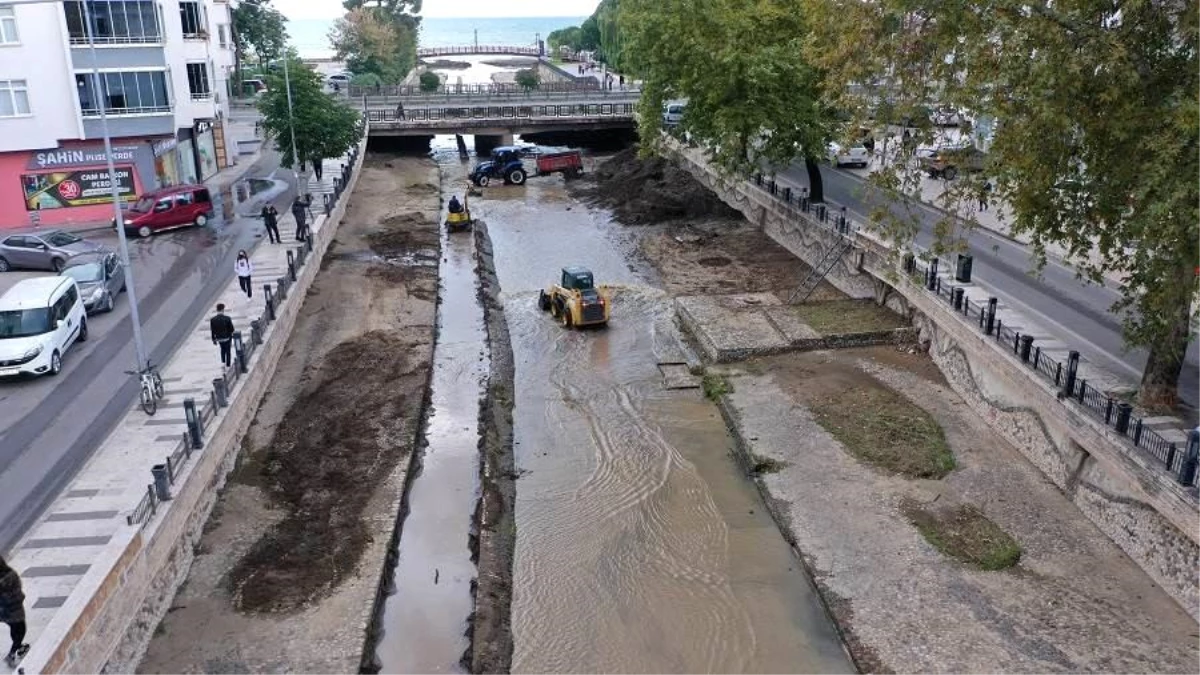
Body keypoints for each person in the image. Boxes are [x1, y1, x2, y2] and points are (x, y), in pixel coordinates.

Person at [1, 557, 28, 668]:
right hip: (13, 608)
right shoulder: (9, 575)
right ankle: (12, 654)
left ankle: (19, 647)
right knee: (21, 629)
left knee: (15, 628)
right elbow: (16, 591)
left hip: (4, 610)